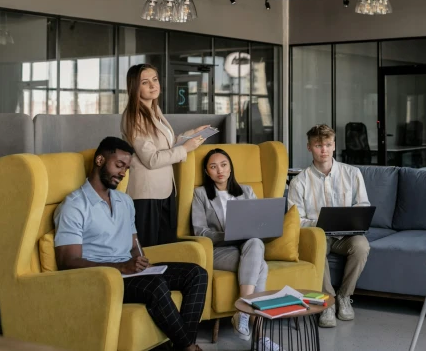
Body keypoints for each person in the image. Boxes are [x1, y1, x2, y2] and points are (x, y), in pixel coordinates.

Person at [54, 137, 208, 351]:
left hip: (129, 272)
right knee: (156, 286)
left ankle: (183, 346)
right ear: (99, 160)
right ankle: (188, 347)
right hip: (101, 279)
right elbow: (67, 262)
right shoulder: (74, 206)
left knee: (196, 274)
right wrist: (121, 267)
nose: (123, 173)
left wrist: (140, 259)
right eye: (118, 165)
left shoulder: (124, 201)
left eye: (126, 168)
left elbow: (134, 243)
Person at [191, 148, 279, 351]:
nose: (219, 170)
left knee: (255, 243)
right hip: (218, 251)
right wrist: (228, 233)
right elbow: (199, 231)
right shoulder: (201, 194)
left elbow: (259, 224)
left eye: (223, 165)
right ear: (207, 171)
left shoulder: (246, 191)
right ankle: (259, 336)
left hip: (246, 248)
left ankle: (243, 311)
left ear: (230, 168)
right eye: (213, 167)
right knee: (261, 267)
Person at [287, 124, 371, 328]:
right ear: (309, 148)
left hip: (346, 236)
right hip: (317, 235)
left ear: (334, 146)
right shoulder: (299, 181)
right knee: (318, 247)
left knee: (362, 246)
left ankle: (344, 296)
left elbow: (363, 206)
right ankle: (327, 301)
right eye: (318, 145)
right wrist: (320, 223)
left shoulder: (352, 173)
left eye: (327, 144)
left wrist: (350, 221)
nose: (323, 149)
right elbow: (295, 219)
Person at [121, 63, 209, 247]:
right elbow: (152, 159)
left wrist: (192, 133)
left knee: (166, 248)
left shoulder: (154, 110)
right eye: (145, 82)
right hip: (147, 194)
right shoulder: (134, 116)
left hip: (164, 190)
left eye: (155, 80)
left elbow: (166, 144)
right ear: (135, 87)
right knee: (150, 251)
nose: (153, 85)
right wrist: (185, 148)